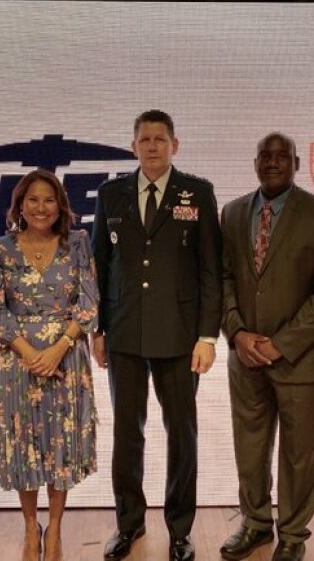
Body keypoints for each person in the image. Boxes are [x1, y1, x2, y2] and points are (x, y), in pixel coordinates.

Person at [91, 109, 222, 561]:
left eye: (160, 139)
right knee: (128, 434)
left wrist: (208, 336)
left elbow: (210, 270)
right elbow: (99, 268)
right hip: (124, 331)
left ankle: (180, 531)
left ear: (174, 145)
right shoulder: (111, 194)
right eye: (144, 139)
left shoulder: (198, 193)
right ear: (133, 146)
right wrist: (98, 329)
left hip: (181, 336)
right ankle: (128, 524)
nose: (152, 146)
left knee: (181, 434)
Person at [218, 132, 314, 561]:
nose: (272, 163)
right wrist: (237, 333)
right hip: (246, 357)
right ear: (255, 162)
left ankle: (293, 534)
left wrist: (281, 344)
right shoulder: (233, 213)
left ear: (296, 163)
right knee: (250, 448)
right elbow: (223, 280)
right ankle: (255, 524)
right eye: (265, 156)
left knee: (299, 453)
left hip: (302, 360)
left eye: (282, 157)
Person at [0, 169, 99, 561]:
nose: (41, 207)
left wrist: (57, 349)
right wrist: (29, 352)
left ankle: (57, 531)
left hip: (66, 360)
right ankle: (32, 527)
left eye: (49, 199)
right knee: (25, 448)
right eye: (32, 199)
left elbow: (88, 305)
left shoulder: (79, 243)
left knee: (60, 448)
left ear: (60, 205)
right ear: (19, 205)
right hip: (18, 365)